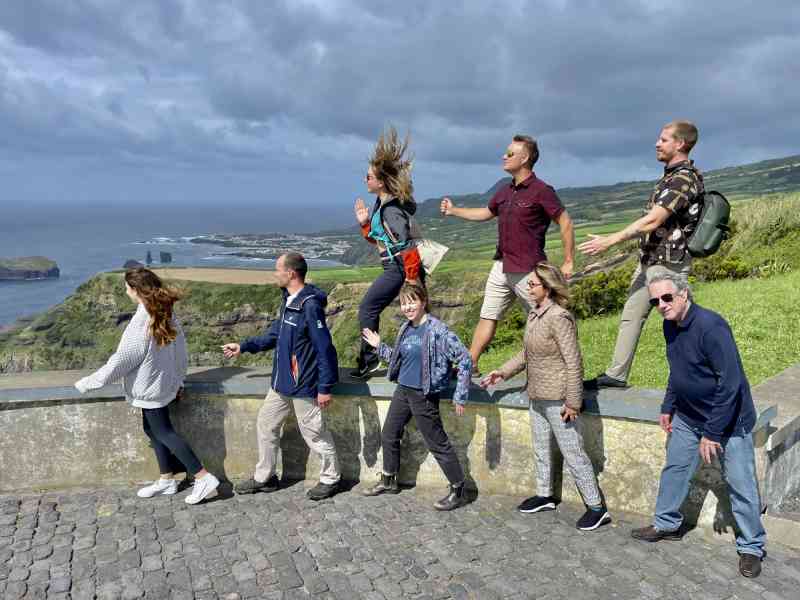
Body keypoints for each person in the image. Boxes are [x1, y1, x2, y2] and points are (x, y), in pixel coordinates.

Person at [631, 272, 766, 578]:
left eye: (667, 297)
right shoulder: (670, 325)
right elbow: (678, 371)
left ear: (684, 294)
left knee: (741, 484)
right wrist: (668, 406)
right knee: (675, 469)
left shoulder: (711, 327)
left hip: (729, 423)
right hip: (688, 417)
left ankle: (751, 547)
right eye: (654, 301)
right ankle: (666, 524)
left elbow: (730, 384)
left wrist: (712, 432)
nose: (661, 305)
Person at [481, 262, 611, 531]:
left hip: (559, 399)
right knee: (541, 448)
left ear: (547, 287)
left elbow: (574, 361)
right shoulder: (534, 314)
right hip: (537, 395)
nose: (528, 288)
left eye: (533, 284)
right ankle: (545, 496)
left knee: (573, 453)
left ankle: (596, 508)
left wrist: (573, 402)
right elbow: (526, 354)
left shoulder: (559, 317)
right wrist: (502, 372)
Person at [75, 268, 220, 505]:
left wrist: (90, 382)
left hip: (149, 387)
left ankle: (203, 477)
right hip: (162, 385)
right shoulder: (165, 313)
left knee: (163, 432)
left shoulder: (142, 320)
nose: (125, 291)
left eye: (127, 287)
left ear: (136, 290)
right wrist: (178, 380)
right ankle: (167, 479)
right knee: (152, 430)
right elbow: (181, 352)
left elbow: (123, 360)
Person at [579, 120, 704, 388]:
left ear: (680, 144)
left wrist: (611, 240)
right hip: (651, 260)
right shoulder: (671, 177)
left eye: (664, 139)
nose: (657, 144)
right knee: (632, 315)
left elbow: (653, 220)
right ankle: (616, 375)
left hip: (668, 264)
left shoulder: (683, 179)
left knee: (681, 321)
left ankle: (699, 377)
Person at [440, 134, 574, 371]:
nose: (504, 156)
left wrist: (568, 260)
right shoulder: (505, 190)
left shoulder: (542, 190)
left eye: (510, 154)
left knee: (547, 320)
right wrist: (454, 211)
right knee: (487, 316)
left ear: (525, 158)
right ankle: (469, 365)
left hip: (529, 270)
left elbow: (565, 221)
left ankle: (562, 369)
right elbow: (486, 212)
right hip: (501, 266)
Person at [222, 253, 342, 501]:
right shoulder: (289, 300)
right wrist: (244, 346)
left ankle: (331, 479)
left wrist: (325, 386)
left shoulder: (309, 305)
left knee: (314, 433)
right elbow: (274, 334)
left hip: (303, 384)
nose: (275, 274)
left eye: (278, 269)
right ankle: (265, 477)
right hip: (281, 383)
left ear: (291, 273)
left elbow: (325, 348)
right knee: (266, 425)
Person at [361, 283, 472, 511]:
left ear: (423, 301)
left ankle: (459, 489)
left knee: (437, 443)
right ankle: (389, 480)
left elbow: (465, 359)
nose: (407, 307)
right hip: (403, 389)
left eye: (412, 301)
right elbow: (398, 359)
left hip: (423, 394)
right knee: (389, 434)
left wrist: (460, 395)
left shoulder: (438, 330)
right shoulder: (406, 328)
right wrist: (379, 346)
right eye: (404, 303)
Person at [351, 126, 423, 379]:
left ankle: (370, 360)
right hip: (398, 267)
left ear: (380, 182)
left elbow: (406, 246)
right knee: (423, 316)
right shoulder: (381, 204)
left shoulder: (390, 209)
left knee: (368, 308)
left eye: (369, 177)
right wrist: (364, 224)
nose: (365, 180)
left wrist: (411, 278)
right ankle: (437, 359)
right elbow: (382, 241)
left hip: (399, 268)